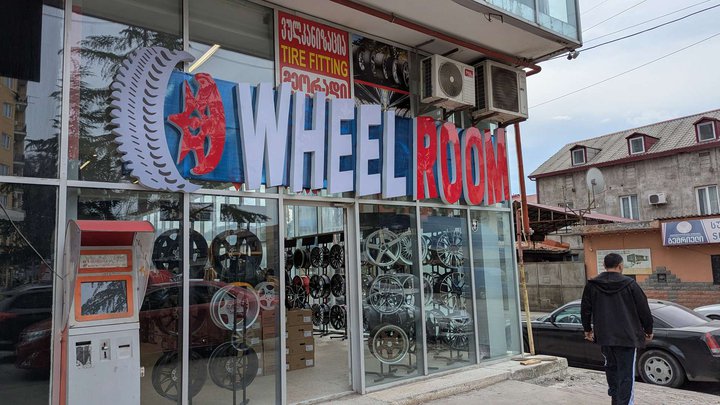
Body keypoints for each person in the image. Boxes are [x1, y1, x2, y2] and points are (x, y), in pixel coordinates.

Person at [581, 253, 653, 405]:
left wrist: (587, 330)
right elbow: (644, 310)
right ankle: (624, 402)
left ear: (604, 266)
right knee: (626, 373)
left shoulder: (592, 285)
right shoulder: (630, 284)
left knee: (611, 368)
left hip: (605, 337)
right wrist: (648, 331)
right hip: (627, 337)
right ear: (620, 266)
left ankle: (615, 399)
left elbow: (585, 309)